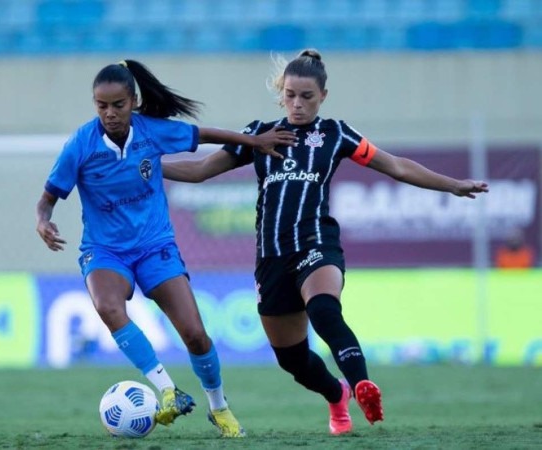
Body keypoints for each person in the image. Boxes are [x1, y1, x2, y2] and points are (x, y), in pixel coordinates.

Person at [162, 49, 489, 435]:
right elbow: (200, 169)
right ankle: (338, 394)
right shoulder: (258, 135)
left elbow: (396, 165)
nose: (297, 104)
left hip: (316, 242)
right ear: (280, 93)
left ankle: (364, 384)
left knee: (324, 310)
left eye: (307, 97)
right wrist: (147, 168)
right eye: (290, 95)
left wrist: (453, 185)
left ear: (323, 97)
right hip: (271, 258)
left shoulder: (335, 134)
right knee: (293, 361)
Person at [35, 59, 297, 438]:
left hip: (155, 247)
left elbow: (203, 134)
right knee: (108, 306)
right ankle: (167, 389)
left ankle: (219, 407)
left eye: (118, 105)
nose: (109, 113)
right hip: (105, 251)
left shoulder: (151, 132)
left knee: (195, 334)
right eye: (101, 105)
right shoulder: (80, 144)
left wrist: (254, 141)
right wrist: (43, 220)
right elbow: (47, 198)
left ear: (133, 101)